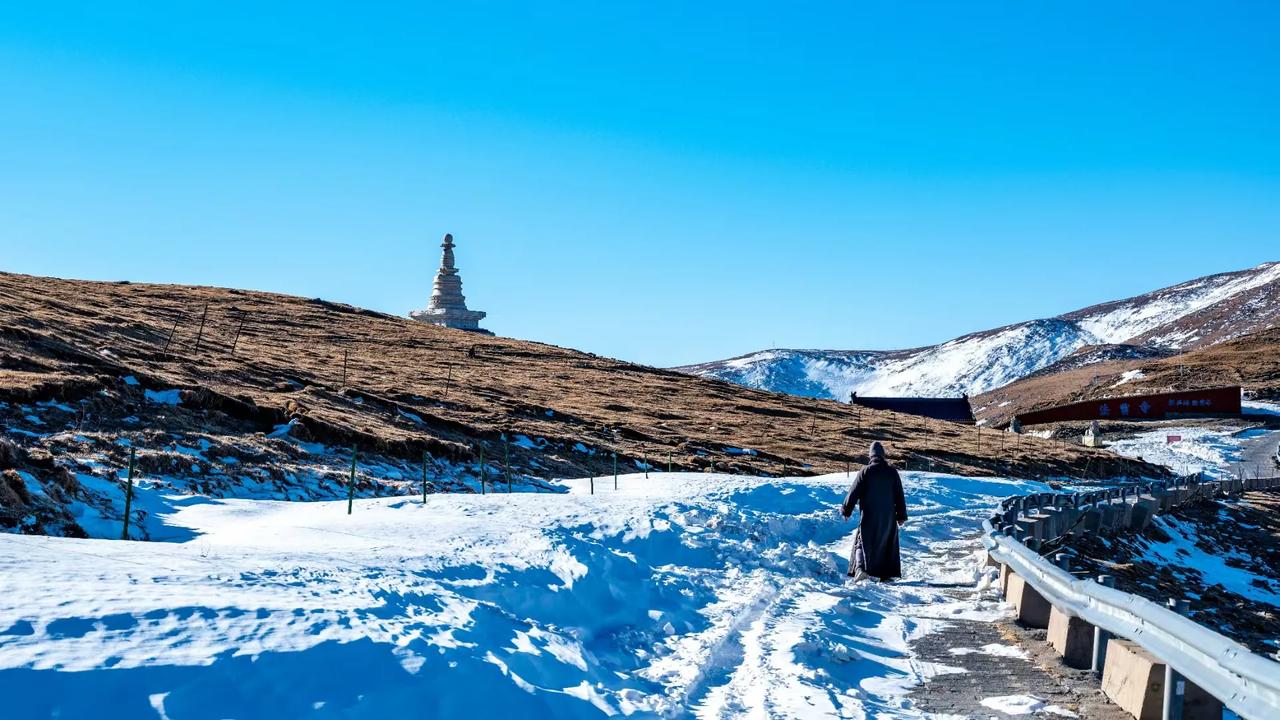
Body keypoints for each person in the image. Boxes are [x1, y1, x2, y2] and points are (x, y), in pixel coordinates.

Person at [841, 441, 908, 582]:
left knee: (862, 542)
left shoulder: (865, 471)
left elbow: (853, 493)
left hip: (869, 516)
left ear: (870, 456)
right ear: (883, 456)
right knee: (886, 542)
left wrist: (846, 510)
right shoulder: (892, 473)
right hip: (888, 517)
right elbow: (899, 495)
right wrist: (901, 516)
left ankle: (860, 570)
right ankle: (886, 575)